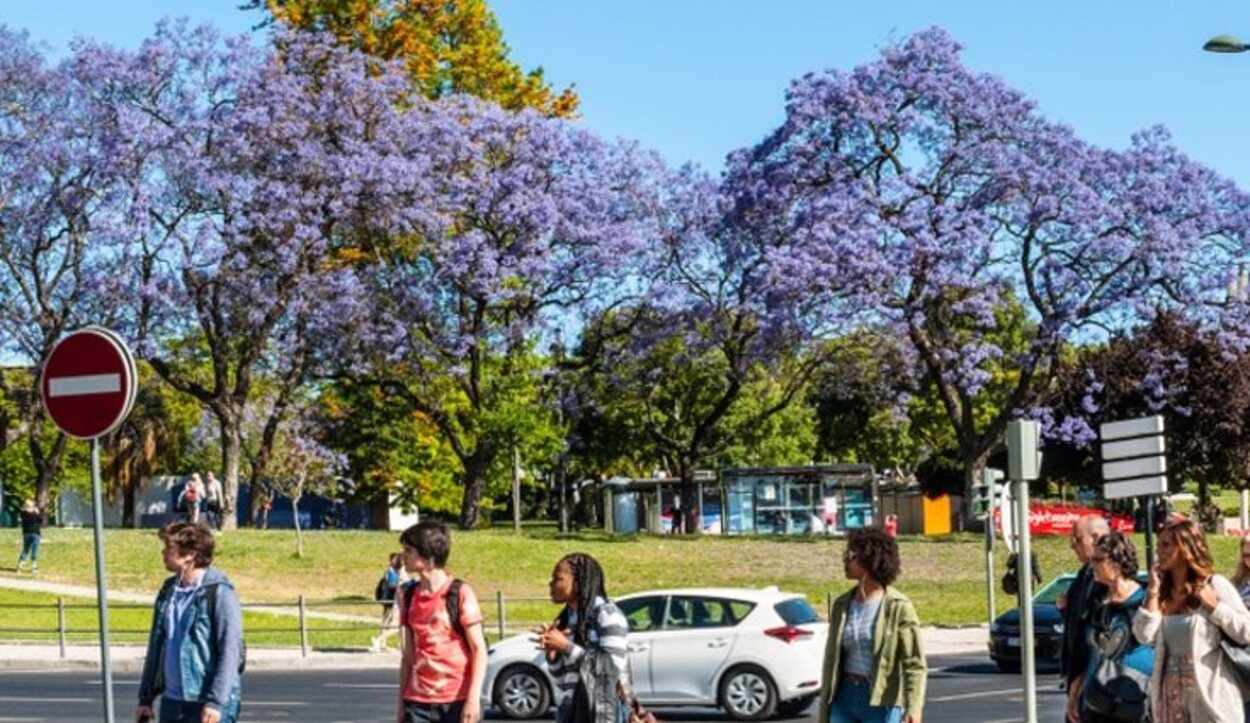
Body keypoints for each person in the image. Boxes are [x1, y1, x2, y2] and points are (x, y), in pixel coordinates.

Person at [1132, 518, 1250, 722]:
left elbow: (1246, 631)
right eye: (1159, 544)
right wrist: (1152, 590)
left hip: (1211, 696)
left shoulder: (1214, 584)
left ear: (1186, 547)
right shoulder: (1161, 591)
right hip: (1171, 699)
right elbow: (1143, 636)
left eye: (1166, 544)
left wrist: (1216, 607)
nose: (1159, 551)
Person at [136, 521, 244, 723]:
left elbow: (230, 651)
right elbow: (156, 646)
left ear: (190, 555)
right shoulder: (168, 591)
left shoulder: (219, 593)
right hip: (172, 703)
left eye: (169, 547)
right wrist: (146, 698)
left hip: (205, 703)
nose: (162, 552)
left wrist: (216, 702)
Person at [818, 526, 925, 723]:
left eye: (850, 555)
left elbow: (914, 664)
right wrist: (826, 703)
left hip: (880, 701)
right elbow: (830, 660)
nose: (845, 560)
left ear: (869, 558)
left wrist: (913, 707)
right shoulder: (842, 605)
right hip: (844, 698)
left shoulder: (898, 607)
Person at [396, 520, 487, 723]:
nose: (404, 557)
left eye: (409, 550)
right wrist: (401, 702)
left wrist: (473, 699)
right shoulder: (409, 595)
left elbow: (478, 649)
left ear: (428, 556)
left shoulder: (459, 593)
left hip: (456, 699)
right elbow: (408, 656)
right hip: (417, 702)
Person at [534, 552, 631, 723]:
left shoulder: (607, 615)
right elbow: (564, 682)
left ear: (578, 583)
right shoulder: (566, 619)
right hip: (571, 710)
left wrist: (566, 647)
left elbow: (611, 669)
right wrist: (552, 655)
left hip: (601, 713)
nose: (551, 584)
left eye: (558, 578)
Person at [1072, 531, 1153, 723]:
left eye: (1098, 559)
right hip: (1096, 702)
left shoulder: (1145, 601)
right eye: (1092, 559)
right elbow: (1091, 650)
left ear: (1117, 561)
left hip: (1133, 701)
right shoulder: (1096, 602)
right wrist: (1077, 686)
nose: (1092, 566)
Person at [1060, 515, 1110, 721]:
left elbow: (1096, 632)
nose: (1073, 546)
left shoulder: (1109, 583)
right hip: (1080, 676)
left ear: (1096, 537)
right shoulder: (1084, 575)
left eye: (1078, 539)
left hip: (1098, 679)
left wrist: (1081, 676)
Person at [372, 552, 407, 652]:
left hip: (395, 600)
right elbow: (398, 584)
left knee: (394, 623)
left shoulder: (396, 571)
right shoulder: (394, 571)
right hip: (394, 600)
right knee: (395, 624)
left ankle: (399, 645)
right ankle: (380, 640)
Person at [16, 499, 44, 573]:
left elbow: (21, 515)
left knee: (25, 549)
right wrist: (37, 512)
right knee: (35, 549)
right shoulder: (35, 513)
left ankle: (20, 566)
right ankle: (34, 567)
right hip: (35, 533)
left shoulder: (23, 513)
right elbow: (41, 520)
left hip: (26, 533)